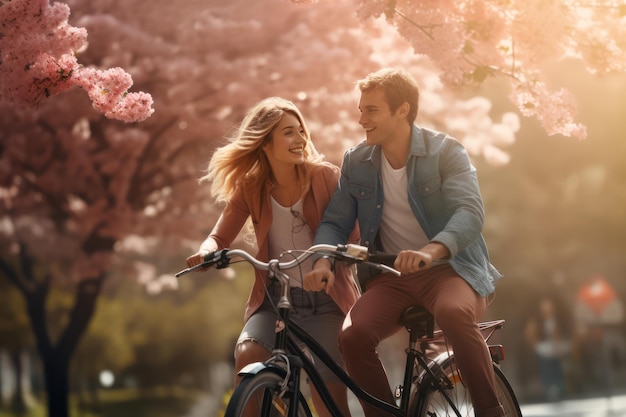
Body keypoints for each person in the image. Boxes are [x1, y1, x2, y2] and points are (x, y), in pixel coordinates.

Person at [303, 68, 505, 417]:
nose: (361, 118)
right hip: (389, 279)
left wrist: (430, 251)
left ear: (403, 110)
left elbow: (470, 213)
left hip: (451, 271)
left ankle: (491, 411)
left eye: (371, 110)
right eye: (361, 109)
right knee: (353, 337)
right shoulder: (357, 161)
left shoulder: (445, 151)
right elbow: (335, 222)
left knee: (453, 312)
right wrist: (322, 261)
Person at [186, 97, 359, 417]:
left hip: (326, 301)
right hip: (275, 301)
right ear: (264, 143)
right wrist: (206, 252)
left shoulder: (324, 176)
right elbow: (219, 236)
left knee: (328, 400)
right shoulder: (250, 188)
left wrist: (328, 262)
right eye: (288, 133)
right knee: (248, 353)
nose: (300, 140)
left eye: (300, 131)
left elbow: (350, 233)